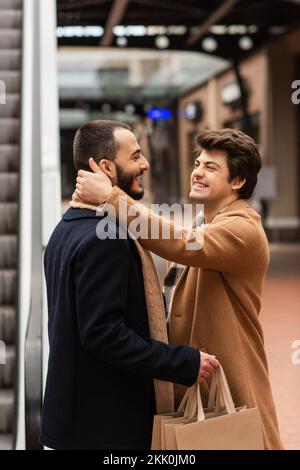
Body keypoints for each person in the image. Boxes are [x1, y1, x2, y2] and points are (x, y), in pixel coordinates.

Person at [74, 128, 283, 450]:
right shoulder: (203, 224)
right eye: (197, 163)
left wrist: (111, 197)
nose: (197, 172)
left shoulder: (244, 229)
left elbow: (181, 244)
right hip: (197, 390)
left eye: (211, 168)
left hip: (233, 393)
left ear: (238, 181)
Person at [41, 120, 219, 450]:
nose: (145, 164)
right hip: (105, 427)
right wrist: (184, 361)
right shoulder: (105, 238)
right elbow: (104, 334)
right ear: (107, 167)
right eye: (135, 156)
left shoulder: (66, 227)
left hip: (76, 422)